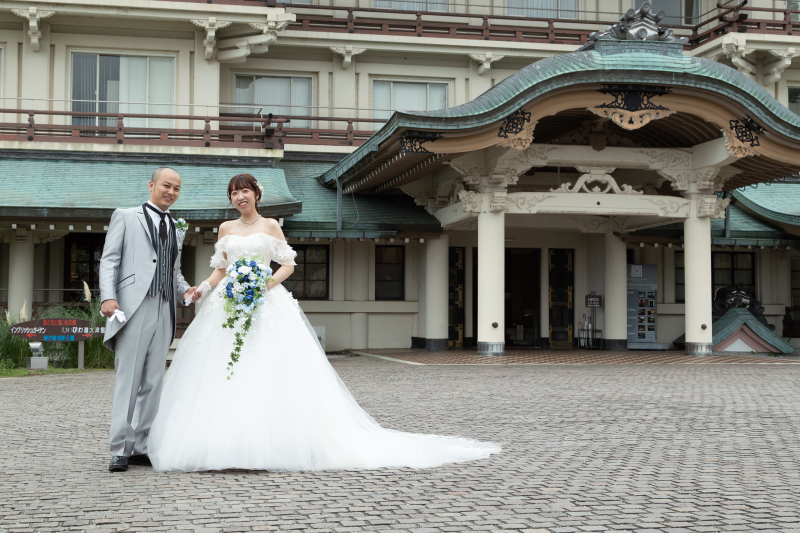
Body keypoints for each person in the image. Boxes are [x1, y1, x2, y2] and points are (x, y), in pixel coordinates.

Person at [147, 173, 500, 472]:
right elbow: (221, 269)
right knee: (223, 366)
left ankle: (270, 443)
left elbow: (288, 265)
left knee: (266, 366)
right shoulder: (225, 227)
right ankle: (221, 442)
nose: (240, 197)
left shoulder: (270, 225)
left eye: (246, 191)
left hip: (265, 301)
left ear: (256, 194)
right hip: (229, 304)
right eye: (235, 192)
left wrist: (262, 285)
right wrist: (202, 288)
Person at [99, 167, 199, 473]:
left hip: (165, 307)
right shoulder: (126, 216)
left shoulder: (177, 226)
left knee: (154, 381)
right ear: (152, 185)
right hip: (133, 306)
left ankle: (142, 447)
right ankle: (120, 449)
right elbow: (110, 260)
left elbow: (172, 270)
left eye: (177, 188)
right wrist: (107, 296)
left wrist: (186, 291)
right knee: (128, 379)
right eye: (167, 185)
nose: (171, 192)